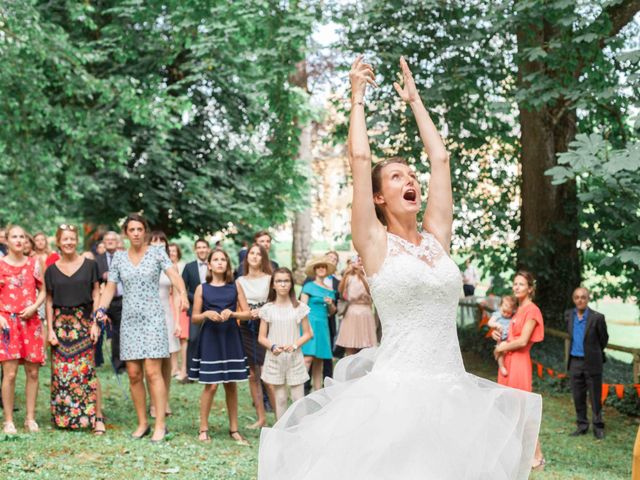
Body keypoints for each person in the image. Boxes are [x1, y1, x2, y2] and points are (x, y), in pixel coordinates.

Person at [258, 56, 542, 479]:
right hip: (396, 392)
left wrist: (415, 101)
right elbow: (359, 158)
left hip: (451, 389)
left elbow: (440, 158)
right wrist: (357, 98)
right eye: (395, 177)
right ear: (377, 198)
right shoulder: (373, 243)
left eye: (410, 175)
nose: (410, 179)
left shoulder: (437, 238)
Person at [95, 213, 188, 442]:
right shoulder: (118, 258)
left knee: (152, 371)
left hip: (154, 319)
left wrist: (183, 293)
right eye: (131, 230)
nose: (136, 233)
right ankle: (142, 423)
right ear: (126, 233)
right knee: (134, 374)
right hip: (129, 320)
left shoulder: (157, 253)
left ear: (144, 231)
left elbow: (174, 275)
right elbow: (110, 288)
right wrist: (101, 309)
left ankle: (160, 425)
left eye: (139, 229)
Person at [45, 224, 105, 434]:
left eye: (72, 239)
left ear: (76, 240)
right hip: (60, 326)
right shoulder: (51, 270)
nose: (69, 242)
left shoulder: (90, 265)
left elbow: (97, 292)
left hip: (84, 322)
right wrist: (50, 330)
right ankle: (65, 418)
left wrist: (96, 323)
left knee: (87, 372)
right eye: (65, 239)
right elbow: (49, 299)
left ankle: (97, 417)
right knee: (62, 374)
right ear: (59, 242)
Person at [188, 249, 250, 445]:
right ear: (210, 265)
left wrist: (232, 314)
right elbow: (195, 318)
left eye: (223, 259)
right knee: (211, 385)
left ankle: (234, 429)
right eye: (215, 259)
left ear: (227, 264)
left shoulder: (235, 286)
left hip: (230, 336)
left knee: (231, 384)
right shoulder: (202, 288)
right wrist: (207, 314)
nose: (220, 263)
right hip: (211, 338)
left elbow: (247, 313)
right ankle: (203, 428)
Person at [495, 270, 545, 469]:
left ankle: (538, 455)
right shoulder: (515, 311)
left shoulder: (532, 310)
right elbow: (510, 336)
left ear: (530, 289)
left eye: (521, 284)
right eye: (515, 283)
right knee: (508, 409)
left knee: (523, 408)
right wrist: (499, 339)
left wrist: (502, 347)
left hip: (519, 364)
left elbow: (523, 340)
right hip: (508, 362)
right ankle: (513, 453)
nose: (516, 287)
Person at [0, 225, 46, 434]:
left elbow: (44, 289)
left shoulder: (34, 264)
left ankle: (30, 418)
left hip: (31, 322)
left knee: (32, 372)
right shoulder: (0, 265)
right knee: (9, 374)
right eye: (14, 237)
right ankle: (9, 420)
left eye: (21, 237)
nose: (18, 240)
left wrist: (35, 307)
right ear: (7, 240)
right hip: (7, 324)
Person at [258, 268, 312, 420]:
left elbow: (308, 333)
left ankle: (301, 432)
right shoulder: (268, 309)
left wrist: (295, 345)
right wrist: (273, 346)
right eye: (279, 281)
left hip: (294, 358)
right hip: (275, 358)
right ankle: (281, 434)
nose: (283, 284)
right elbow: (261, 337)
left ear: (291, 284)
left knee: (298, 399)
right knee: (280, 399)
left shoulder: (299, 307)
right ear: (273, 285)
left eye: (286, 281)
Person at [236, 243, 273, 429]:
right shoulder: (240, 281)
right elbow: (242, 306)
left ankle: (280, 415)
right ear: (247, 257)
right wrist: (248, 313)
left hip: (266, 324)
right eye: (252, 253)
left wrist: (261, 311)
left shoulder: (270, 279)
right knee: (253, 374)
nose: (255, 256)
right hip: (247, 326)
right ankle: (261, 417)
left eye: (259, 254)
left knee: (268, 373)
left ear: (263, 258)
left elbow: (274, 301)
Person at [566, 287, 608, 439]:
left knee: (595, 396)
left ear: (588, 298)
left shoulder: (597, 318)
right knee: (578, 396)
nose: (580, 300)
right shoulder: (569, 315)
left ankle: (598, 427)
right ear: (573, 299)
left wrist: (593, 352)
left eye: (583, 297)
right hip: (575, 362)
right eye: (577, 297)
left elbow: (604, 340)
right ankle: (582, 425)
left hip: (592, 362)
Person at [149, 231, 182, 418]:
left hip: (166, 315)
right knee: (152, 362)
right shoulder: (143, 265)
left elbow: (176, 294)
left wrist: (177, 321)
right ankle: (153, 402)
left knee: (167, 361)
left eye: (162, 241)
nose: (158, 244)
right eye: (154, 241)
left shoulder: (172, 267)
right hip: (148, 317)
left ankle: (165, 398)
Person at [300, 256, 337, 391]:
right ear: (315, 270)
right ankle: (300, 389)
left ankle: (317, 393)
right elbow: (302, 308)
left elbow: (332, 312)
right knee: (308, 359)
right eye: (318, 267)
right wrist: (305, 327)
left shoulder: (329, 290)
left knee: (319, 361)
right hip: (310, 323)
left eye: (323, 267)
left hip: (323, 325)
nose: (321, 269)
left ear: (326, 270)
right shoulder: (308, 286)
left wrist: (330, 304)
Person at [95, 231, 125, 373]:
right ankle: (96, 360)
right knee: (98, 330)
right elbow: (94, 280)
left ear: (118, 242)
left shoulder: (125, 257)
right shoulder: (97, 260)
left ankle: (119, 365)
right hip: (104, 300)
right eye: (108, 240)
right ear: (104, 242)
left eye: (113, 239)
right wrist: (103, 276)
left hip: (121, 300)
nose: (111, 242)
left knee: (119, 334)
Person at [335, 256, 376, 356]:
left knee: (367, 345)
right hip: (352, 312)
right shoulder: (349, 277)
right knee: (350, 344)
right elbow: (342, 292)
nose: (360, 262)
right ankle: (350, 369)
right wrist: (348, 272)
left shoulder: (371, 277)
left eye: (363, 260)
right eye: (358, 260)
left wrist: (362, 274)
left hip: (365, 312)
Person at [182, 238, 211, 379]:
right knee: (193, 339)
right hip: (195, 308)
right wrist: (197, 298)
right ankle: (190, 372)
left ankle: (209, 370)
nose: (201, 250)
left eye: (204, 247)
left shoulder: (214, 265)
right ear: (195, 250)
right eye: (199, 247)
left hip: (214, 307)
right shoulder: (189, 267)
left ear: (208, 249)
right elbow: (183, 289)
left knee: (211, 339)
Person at [168, 243, 190, 381]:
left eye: (174, 251)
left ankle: (184, 368)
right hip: (167, 302)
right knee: (172, 337)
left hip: (179, 302)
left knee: (182, 337)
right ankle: (174, 367)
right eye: (169, 251)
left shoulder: (182, 266)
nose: (172, 253)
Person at [487, 295, 517, 377]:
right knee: (500, 353)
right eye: (504, 311)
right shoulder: (498, 314)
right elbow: (489, 322)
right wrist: (496, 325)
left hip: (510, 339)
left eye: (508, 313)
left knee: (505, 351)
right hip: (501, 339)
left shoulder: (513, 316)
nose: (506, 314)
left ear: (513, 310)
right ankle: (501, 366)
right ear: (500, 306)